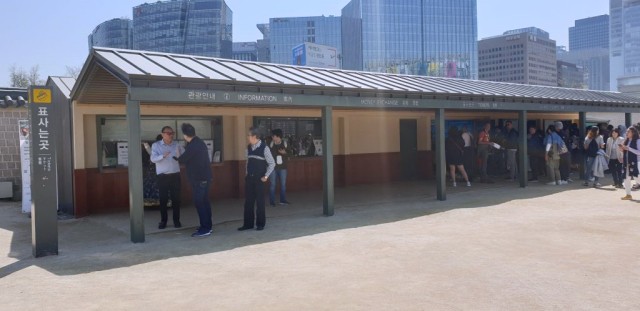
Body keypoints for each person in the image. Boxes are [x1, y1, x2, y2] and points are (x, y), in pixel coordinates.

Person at [175, 123, 213, 237]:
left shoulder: (193, 145)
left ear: (185, 135)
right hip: (205, 178)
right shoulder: (199, 143)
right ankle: (207, 226)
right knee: (205, 202)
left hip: (199, 179)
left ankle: (205, 228)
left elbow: (183, 159)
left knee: (200, 203)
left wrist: (177, 156)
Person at [238, 127, 276, 231]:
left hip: (260, 179)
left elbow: (272, 163)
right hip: (249, 179)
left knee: (260, 202)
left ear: (255, 136)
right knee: (248, 203)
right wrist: (246, 174)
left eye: (249, 135)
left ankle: (260, 224)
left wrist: (266, 176)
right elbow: (247, 162)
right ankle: (248, 224)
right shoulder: (249, 147)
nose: (247, 137)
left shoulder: (265, 148)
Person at [150, 127, 183, 229]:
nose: (170, 135)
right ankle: (163, 221)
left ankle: (176, 221)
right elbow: (153, 159)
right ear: (162, 134)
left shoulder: (177, 145)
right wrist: (162, 156)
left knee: (176, 200)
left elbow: (185, 155)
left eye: (172, 133)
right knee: (163, 200)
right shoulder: (156, 145)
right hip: (163, 176)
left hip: (175, 175)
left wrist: (180, 156)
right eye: (168, 133)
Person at [269, 129, 291, 206]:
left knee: (283, 185)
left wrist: (284, 153)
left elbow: (290, 154)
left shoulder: (285, 143)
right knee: (272, 185)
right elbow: (266, 155)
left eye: (273, 136)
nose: (272, 137)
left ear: (278, 136)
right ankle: (272, 202)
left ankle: (283, 200)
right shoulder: (270, 144)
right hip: (272, 168)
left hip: (283, 168)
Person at [620, 127, 639, 200]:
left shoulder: (638, 141)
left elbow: (639, 152)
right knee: (626, 178)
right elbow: (626, 151)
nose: (626, 133)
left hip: (636, 162)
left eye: (628, 132)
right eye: (626, 131)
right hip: (626, 163)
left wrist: (628, 148)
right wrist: (622, 150)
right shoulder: (626, 141)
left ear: (633, 133)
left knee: (637, 177)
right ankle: (628, 194)